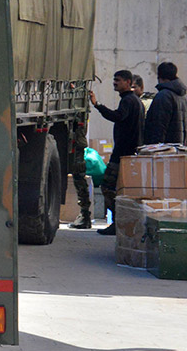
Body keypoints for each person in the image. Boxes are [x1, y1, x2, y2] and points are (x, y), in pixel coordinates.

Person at [90, 70, 145, 236]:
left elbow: (117, 116)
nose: (115, 83)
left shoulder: (128, 101)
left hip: (123, 153)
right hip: (128, 152)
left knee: (107, 186)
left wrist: (97, 105)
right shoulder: (134, 101)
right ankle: (119, 222)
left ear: (128, 82)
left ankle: (117, 222)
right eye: (114, 80)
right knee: (119, 189)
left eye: (118, 80)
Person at [143, 61, 187, 145]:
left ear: (159, 76)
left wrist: (155, 146)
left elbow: (159, 125)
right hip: (177, 147)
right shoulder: (182, 97)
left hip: (164, 149)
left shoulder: (163, 96)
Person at [66, 115, 93, 229]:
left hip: (76, 144)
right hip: (76, 143)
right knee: (79, 178)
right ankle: (85, 214)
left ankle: (85, 214)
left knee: (79, 178)